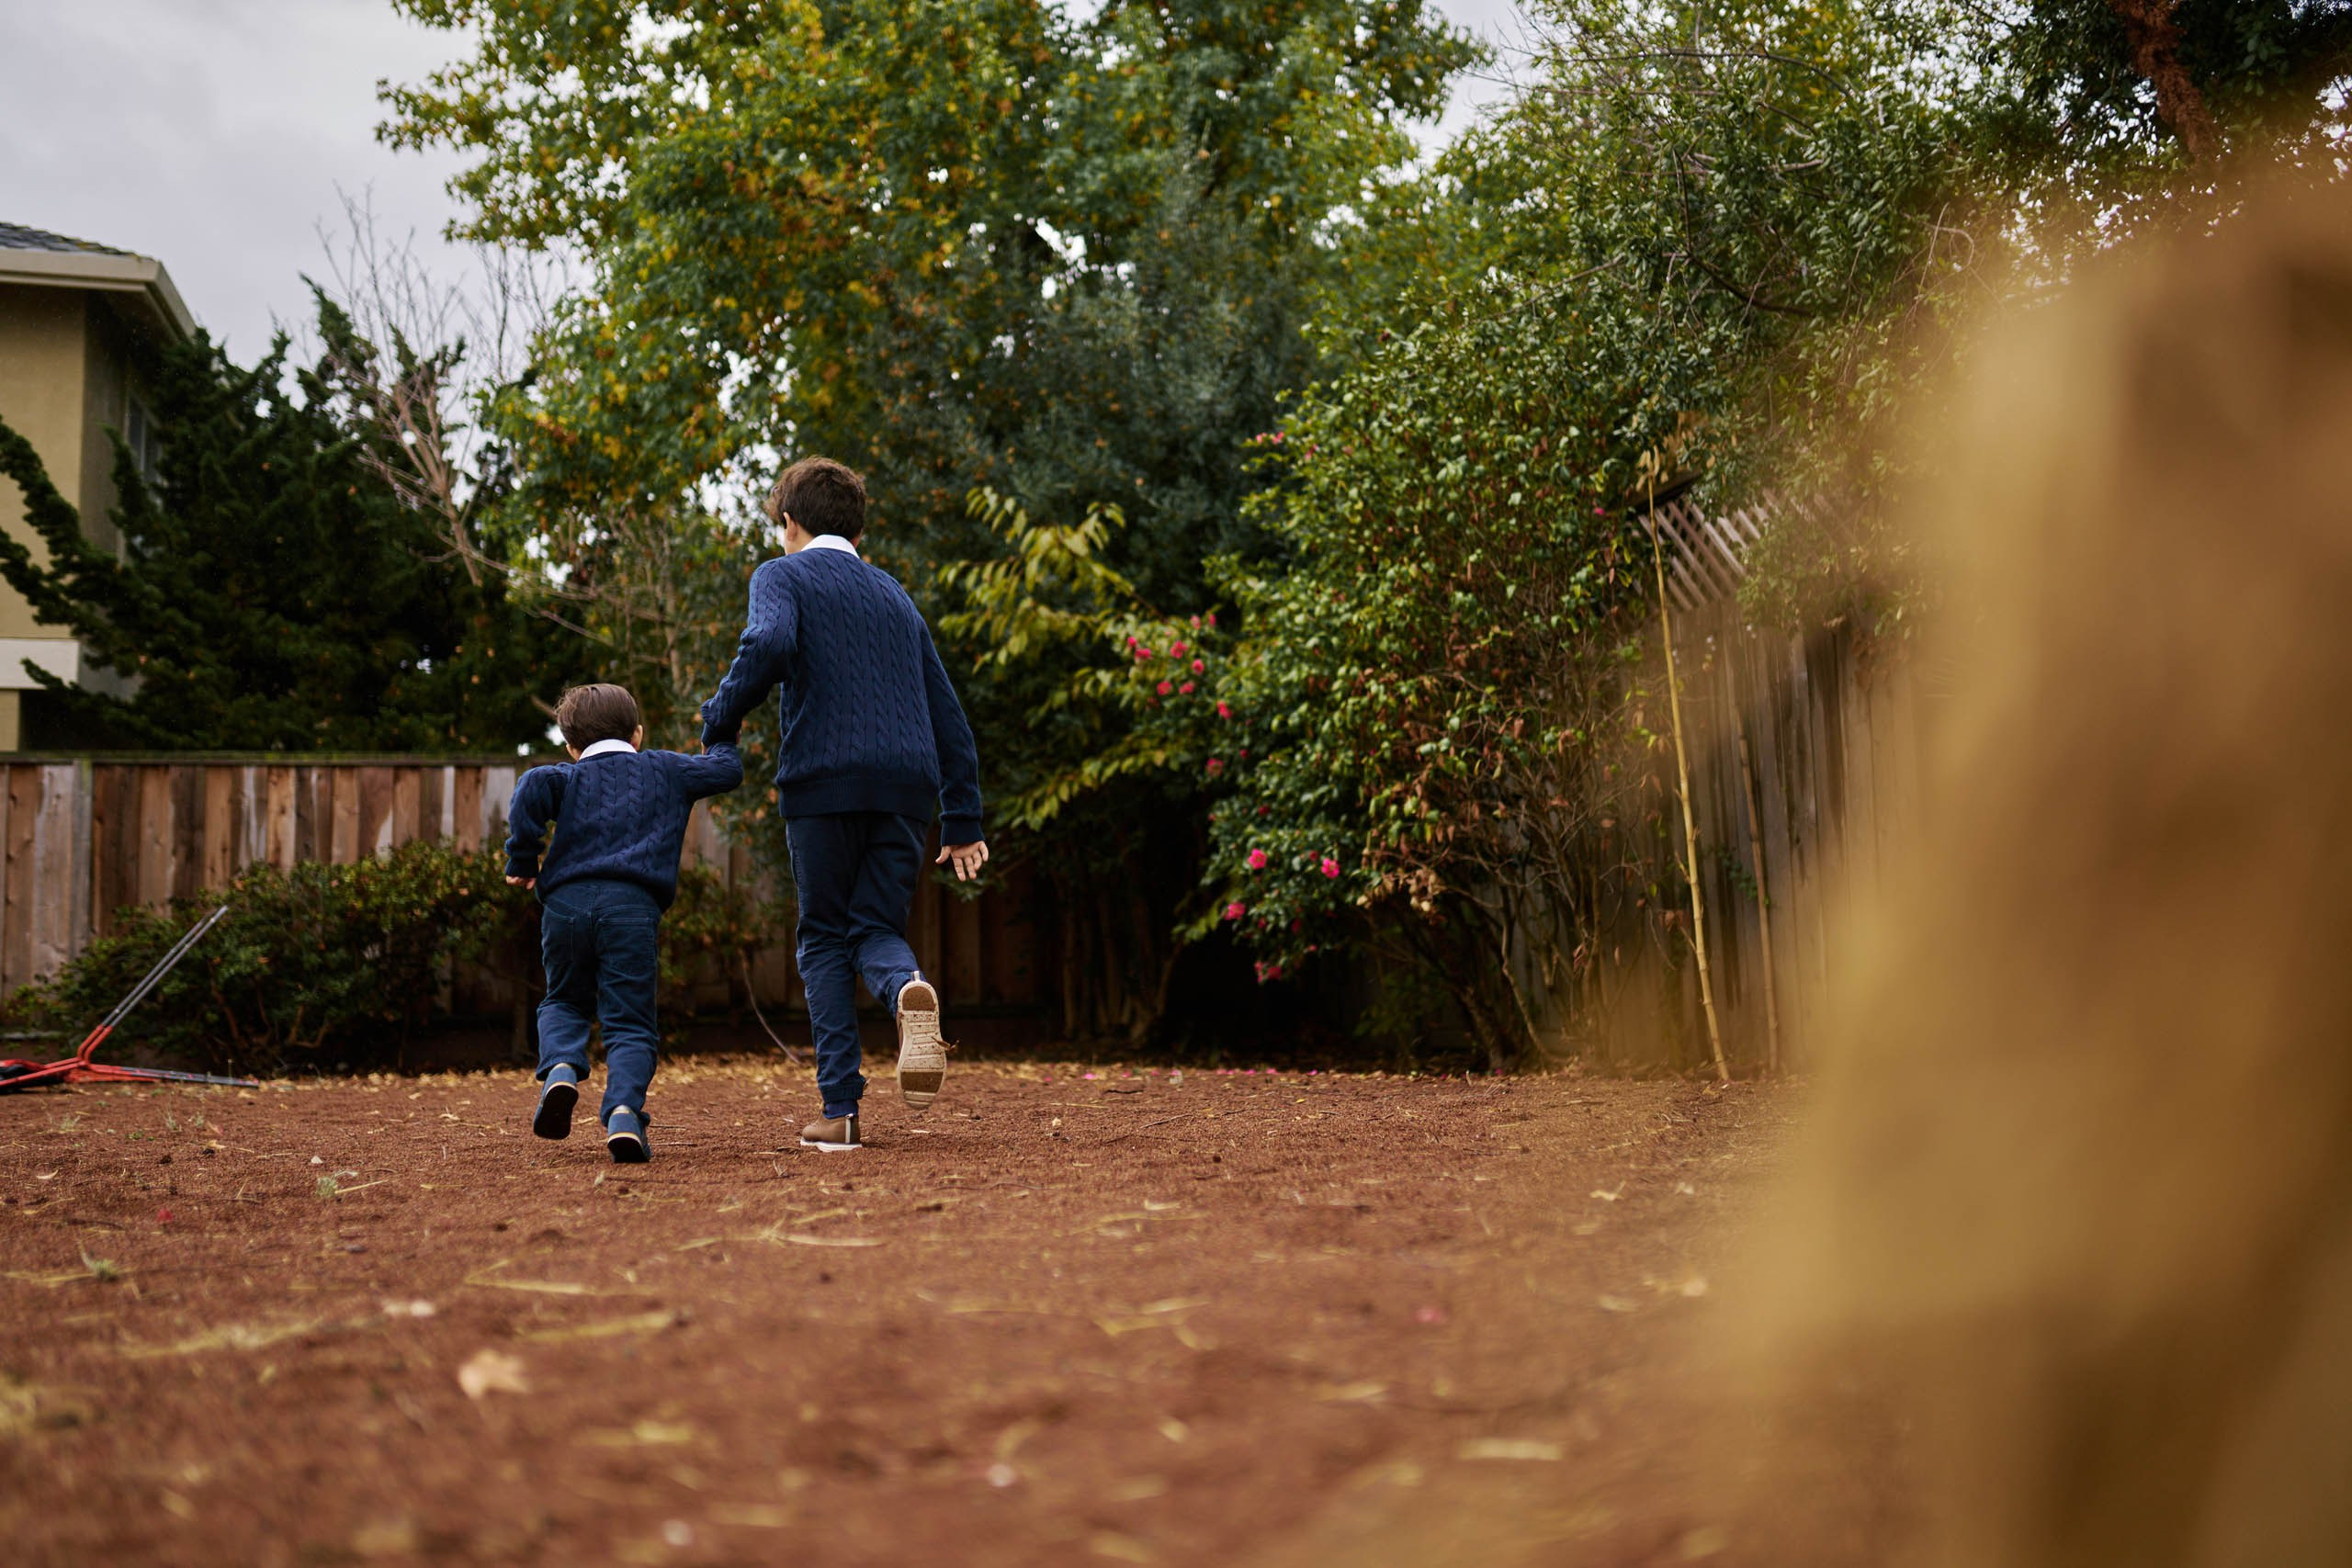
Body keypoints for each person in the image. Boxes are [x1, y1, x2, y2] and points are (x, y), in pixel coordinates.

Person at [698, 457, 987, 1151]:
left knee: (824, 935)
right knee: (875, 927)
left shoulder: (782, 574)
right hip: (907, 788)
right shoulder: (895, 596)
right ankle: (905, 986)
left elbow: (769, 641)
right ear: (859, 531)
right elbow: (948, 713)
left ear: (789, 523)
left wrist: (719, 720)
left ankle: (842, 1112)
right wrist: (963, 818)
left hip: (824, 780)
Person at [503, 682, 743, 1163]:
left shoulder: (564, 777)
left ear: (571, 746)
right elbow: (727, 770)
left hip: (566, 905)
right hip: (632, 908)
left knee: (564, 1000)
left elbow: (531, 786)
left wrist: (523, 859)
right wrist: (720, 728)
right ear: (637, 734)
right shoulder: (666, 769)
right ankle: (624, 1115)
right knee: (630, 1022)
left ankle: (562, 1070)